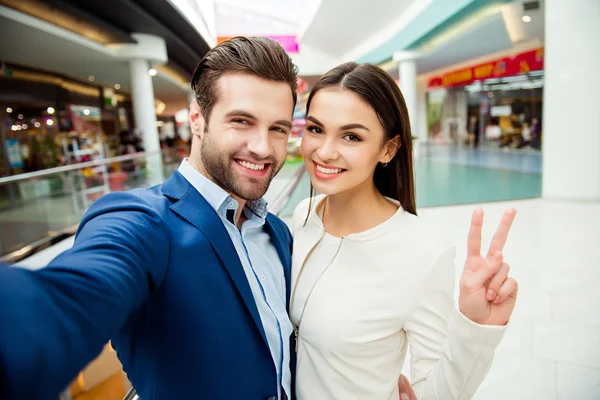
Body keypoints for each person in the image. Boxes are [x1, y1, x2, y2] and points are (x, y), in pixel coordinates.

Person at [0, 38, 416, 400]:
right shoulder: (142, 221)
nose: (262, 147)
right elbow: (69, 300)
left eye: (277, 128)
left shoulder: (278, 233)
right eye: (241, 121)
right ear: (198, 120)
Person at [290, 62, 518, 399]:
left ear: (389, 149)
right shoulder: (304, 215)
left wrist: (476, 328)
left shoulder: (422, 251)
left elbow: (431, 391)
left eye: (351, 136)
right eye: (316, 129)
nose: (324, 151)